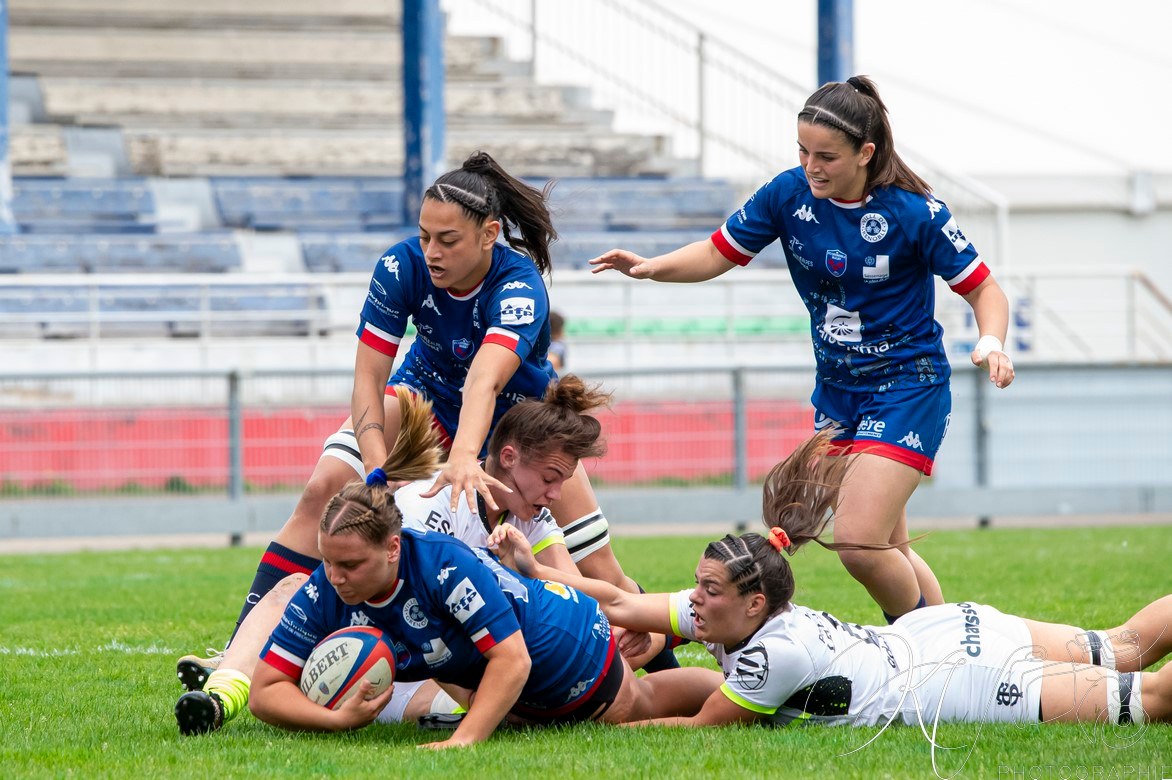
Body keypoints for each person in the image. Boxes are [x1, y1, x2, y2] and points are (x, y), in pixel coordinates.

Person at [180, 150, 644, 686]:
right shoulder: (400, 267)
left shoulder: (520, 286)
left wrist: (467, 458)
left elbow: (484, 381)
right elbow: (368, 380)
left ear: (490, 233)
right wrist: (379, 470)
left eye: (448, 240)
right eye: (425, 236)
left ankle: (663, 665)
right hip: (422, 398)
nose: (431, 251)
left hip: (517, 421)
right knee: (322, 489)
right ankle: (242, 650)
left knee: (597, 566)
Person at [588, 76, 1016, 624]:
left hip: (908, 386)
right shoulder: (787, 195)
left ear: (866, 153)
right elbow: (719, 251)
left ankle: (919, 650)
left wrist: (990, 341)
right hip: (840, 393)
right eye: (802, 151)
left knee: (859, 542)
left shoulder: (915, 213)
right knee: (890, 546)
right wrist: (651, 268)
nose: (811, 166)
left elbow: (984, 288)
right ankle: (953, 654)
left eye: (826, 156)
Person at [486, 433, 1172, 731]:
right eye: (697, 588)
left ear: (753, 602)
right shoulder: (736, 612)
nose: (693, 601)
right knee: (1127, 645)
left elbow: (698, 726)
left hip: (957, 681)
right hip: (950, 628)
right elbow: (617, 600)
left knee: (1153, 698)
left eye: (706, 591)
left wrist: (578, 725)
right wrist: (534, 569)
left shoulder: (768, 653)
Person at [173, 377, 671, 735]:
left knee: (469, 690)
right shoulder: (433, 506)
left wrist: (635, 617)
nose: (556, 495)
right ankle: (224, 691)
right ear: (510, 459)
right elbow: (379, 584)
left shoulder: (531, 521)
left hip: (446, 665)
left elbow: (571, 591)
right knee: (293, 591)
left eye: (562, 483)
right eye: (549, 479)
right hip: (385, 631)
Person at [188, 467, 720, 748]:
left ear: (392, 547)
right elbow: (265, 694)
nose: (335, 576)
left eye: (350, 564)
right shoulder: (326, 587)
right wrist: (336, 721)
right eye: (328, 561)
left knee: (642, 701)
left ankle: (743, 695)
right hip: (498, 675)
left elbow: (513, 660)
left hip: (568, 653)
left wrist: (466, 741)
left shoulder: (441, 565)